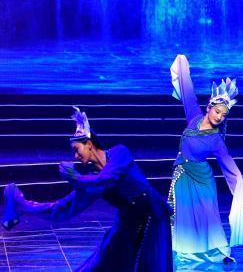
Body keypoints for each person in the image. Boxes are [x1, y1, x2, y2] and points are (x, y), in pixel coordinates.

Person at [2, 107, 172, 271]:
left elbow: (109, 177)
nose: (75, 156)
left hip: (153, 216)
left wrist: (76, 178)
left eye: (77, 149)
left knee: (151, 265)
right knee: (104, 262)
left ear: (89, 144)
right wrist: (25, 205)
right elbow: (65, 206)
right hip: (127, 223)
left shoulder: (119, 153)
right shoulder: (93, 180)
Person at [168, 54, 243, 263]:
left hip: (202, 178)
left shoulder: (216, 140)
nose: (219, 117)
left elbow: (229, 166)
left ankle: (220, 251)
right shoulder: (194, 116)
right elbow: (187, 91)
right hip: (183, 174)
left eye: (223, 115)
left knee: (209, 216)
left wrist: (239, 182)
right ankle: (185, 249)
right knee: (183, 213)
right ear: (209, 107)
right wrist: (182, 64)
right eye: (217, 111)